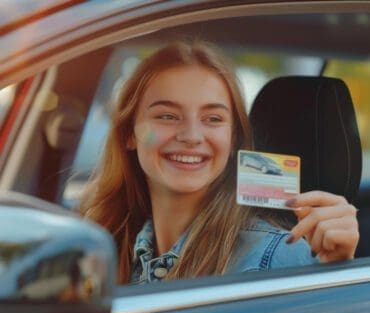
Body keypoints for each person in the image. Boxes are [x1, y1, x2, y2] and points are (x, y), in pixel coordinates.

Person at [79, 41, 359, 284]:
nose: (191, 136)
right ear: (130, 132)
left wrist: (333, 275)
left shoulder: (280, 256)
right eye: (167, 116)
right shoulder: (96, 245)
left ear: (233, 139)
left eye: (212, 119)